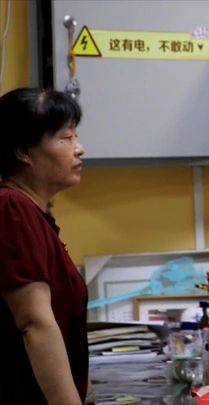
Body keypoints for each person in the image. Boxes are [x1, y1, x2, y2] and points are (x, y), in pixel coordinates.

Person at [0, 88, 92, 404]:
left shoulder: (33, 213)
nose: (79, 148)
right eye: (66, 138)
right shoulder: (11, 209)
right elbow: (34, 323)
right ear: (24, 152)